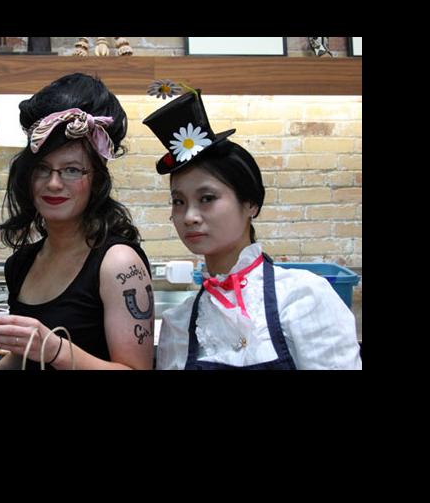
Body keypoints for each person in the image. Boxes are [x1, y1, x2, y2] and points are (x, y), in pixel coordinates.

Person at [142, 88, 361, 370]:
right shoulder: (178, 324)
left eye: (207, 198)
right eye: (178, 201)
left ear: (251, 203)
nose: (189, 216)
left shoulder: (303, 297)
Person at [0, 73, 154, 370]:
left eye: (72, 170)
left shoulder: (119, 264)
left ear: (97, 180)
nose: (53, 184)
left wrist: (56, 349)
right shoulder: (22, 262)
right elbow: (27, 357)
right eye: (42, 169)